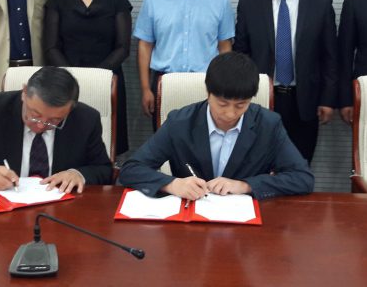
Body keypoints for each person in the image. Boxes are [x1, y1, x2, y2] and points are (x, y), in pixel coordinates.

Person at [118, 52, 314, 200]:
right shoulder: (180, 123)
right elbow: (131, 169)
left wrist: (246, 186)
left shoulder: (268, 125)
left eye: (240, 105)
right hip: (191, 220)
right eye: (222, 104)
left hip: (246, 225)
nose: (230, 113)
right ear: (208, 92)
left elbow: (302, 178)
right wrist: (171, 184)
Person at [234, 0, 337, 164]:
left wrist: (328, 99)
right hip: (262, 98)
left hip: (305, 100)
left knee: (299, 164)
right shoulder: (249, 4)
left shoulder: (320, 2)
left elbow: (329, 56)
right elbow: (241, 55)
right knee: (260, 164)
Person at [0, 66, 113, 193]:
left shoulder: (86, 119)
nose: (41, 125)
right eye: (34, 115)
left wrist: (78, 174)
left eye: (54, 121)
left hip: (61, 213)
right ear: (24, 93)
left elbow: (104, 169)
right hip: (0, 214)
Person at [133, 0, 234, 129]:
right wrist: (146, 89)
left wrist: (223, 86)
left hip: (206, 84)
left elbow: (225, 47)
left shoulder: (220, 1)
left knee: (205, 139)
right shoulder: (153, 0)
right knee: (165, 140)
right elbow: (145, 46)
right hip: (164, 83)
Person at [43, 0, 132, 155]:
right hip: (65, 83)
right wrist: (72, 77)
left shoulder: (117, 0)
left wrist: (97, 76)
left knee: (108, 142)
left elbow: (123, 47)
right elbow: (51, 47)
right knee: (69, 141)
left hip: (108, 80)